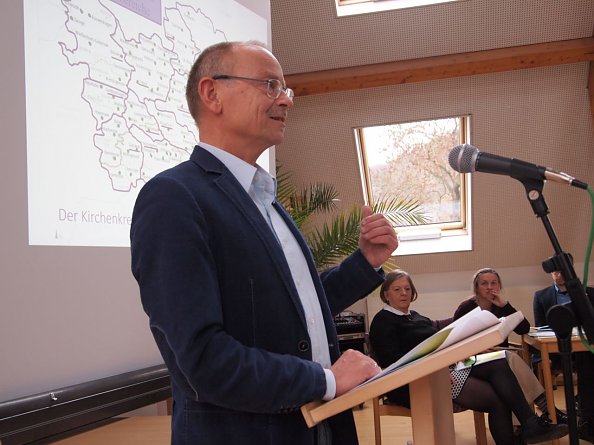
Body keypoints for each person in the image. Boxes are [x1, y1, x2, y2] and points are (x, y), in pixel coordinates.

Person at [130, 41, 398, 445]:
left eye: (286, 91)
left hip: (320, 428)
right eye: (270, 86)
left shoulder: (266, 200)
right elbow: (203, 360)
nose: (286, 101)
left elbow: (293, 307)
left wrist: (365, 263)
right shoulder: (173, 196)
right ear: (211, 93)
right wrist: (325, 380)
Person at [369, 270, 569, 445]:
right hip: (416, 382)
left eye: (407, 288)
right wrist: (431, 370)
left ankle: (530, 425)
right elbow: (392, 362)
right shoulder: (383, 321)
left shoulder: (414, 315)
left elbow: (438, 336)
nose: (404, 293)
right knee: (497, 399)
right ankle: (530, 425)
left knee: (499, 362)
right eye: (397, 289)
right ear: (386, 294)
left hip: (445, 368)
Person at [455, 267, 568, 425]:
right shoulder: (466, 307)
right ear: (476, 287)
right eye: (484, 283)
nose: (489, 287)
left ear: (499, 286)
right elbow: (455, 342)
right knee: (511, 358)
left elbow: (524, 329)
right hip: (472, 359)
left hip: (499, 358)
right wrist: (478, 349)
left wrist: (505, 305)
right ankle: (547, 410)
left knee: (511, 362)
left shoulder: (501, 306)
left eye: (493, 283)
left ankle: (521, 426)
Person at [533, 257, 594, 443]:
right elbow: (540, 327)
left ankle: (587, 416)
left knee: (587, 360)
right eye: (555, 271)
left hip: (583, 347)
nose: (559, 275)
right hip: (556, 350)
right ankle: (584, 415)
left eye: (562, 271)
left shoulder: (589, 293)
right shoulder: (541, 296)